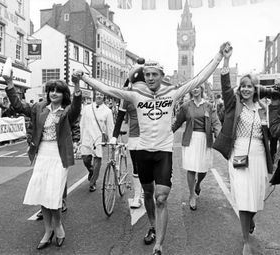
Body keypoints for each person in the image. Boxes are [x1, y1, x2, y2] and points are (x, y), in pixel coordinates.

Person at [73, 42, 229, 255]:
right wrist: (83, 78)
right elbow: (107, 89)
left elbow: (199, 78)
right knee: (148, 193)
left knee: (161, 197)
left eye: (154, 74)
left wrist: (219, 55)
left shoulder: (172, 93)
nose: (150, 78)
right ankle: (153, 225)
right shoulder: (136, 94)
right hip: (144, 152)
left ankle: (159, 246)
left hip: (163, 152)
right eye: (147, 75)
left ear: (162, 75)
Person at [2, 73, 82, 250]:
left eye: (58, 91)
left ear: (64, 94)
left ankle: (58, 226)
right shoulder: (39, 107)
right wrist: (9, 83)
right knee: (42, 194)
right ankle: (47, 231)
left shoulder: (68, 110)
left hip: (59, 156)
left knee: (54, 194)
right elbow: (18, 105)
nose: (53, 93)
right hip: (43, 154)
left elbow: (76, 107)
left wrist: (77, 86)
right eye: (51, 90)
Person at [213, 46, 274, 255]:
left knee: (255, 199)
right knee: (244, 197)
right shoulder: (234, 104)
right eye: (243, 86)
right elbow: (225, 86)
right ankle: (246, 240)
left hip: (259, 157)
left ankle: (251, 219)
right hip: (239, 154)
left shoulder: (262, 109)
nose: (246, 89)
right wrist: (227, 61)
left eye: (250, 86)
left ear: (254, 89)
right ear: (240, 89)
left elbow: (271, 134)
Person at [172, 84, 221, 210]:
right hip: (190, 139)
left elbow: (215, 122)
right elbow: (178, 122)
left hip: (205, 139)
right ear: (190, 90)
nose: (195, 89)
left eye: (198, 87)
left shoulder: (209, 106)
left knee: (203, 169)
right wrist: (167, 133)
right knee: (191, 168)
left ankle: (198, 183)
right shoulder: (186, 106)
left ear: (202, 89)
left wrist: (220, 136)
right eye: (193, 87)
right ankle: (192, 195)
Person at [110, 82, 144, 209]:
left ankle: (146, 190)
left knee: (147, 167)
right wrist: (114, 136)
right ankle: (137, 195)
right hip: (134, 136)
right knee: (136, 167)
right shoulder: (126, 97)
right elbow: (119, 118)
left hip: (149, 136)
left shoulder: (149, 94)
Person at [79, 91, 114, 192]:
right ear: (95, 96)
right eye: (98, 94)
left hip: (98, 138)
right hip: (86, 137)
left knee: (97, 161)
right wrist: (80, 138)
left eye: (101, 95)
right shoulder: (87, 108)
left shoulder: (108, 111)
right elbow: (82, 123)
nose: (99, 96)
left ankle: (92, 183)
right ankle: (91, 170)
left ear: (104, 97)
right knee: (85, 159)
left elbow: (110, 127)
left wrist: (111, 141)